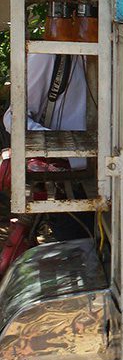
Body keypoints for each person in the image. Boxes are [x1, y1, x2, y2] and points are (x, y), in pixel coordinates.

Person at [3, 54, 93, 240]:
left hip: (118, 181)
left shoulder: (122, 52)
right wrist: (57, 145)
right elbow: (13, 118)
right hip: (70, 184)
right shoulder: (51, 56)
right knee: (78, 255)